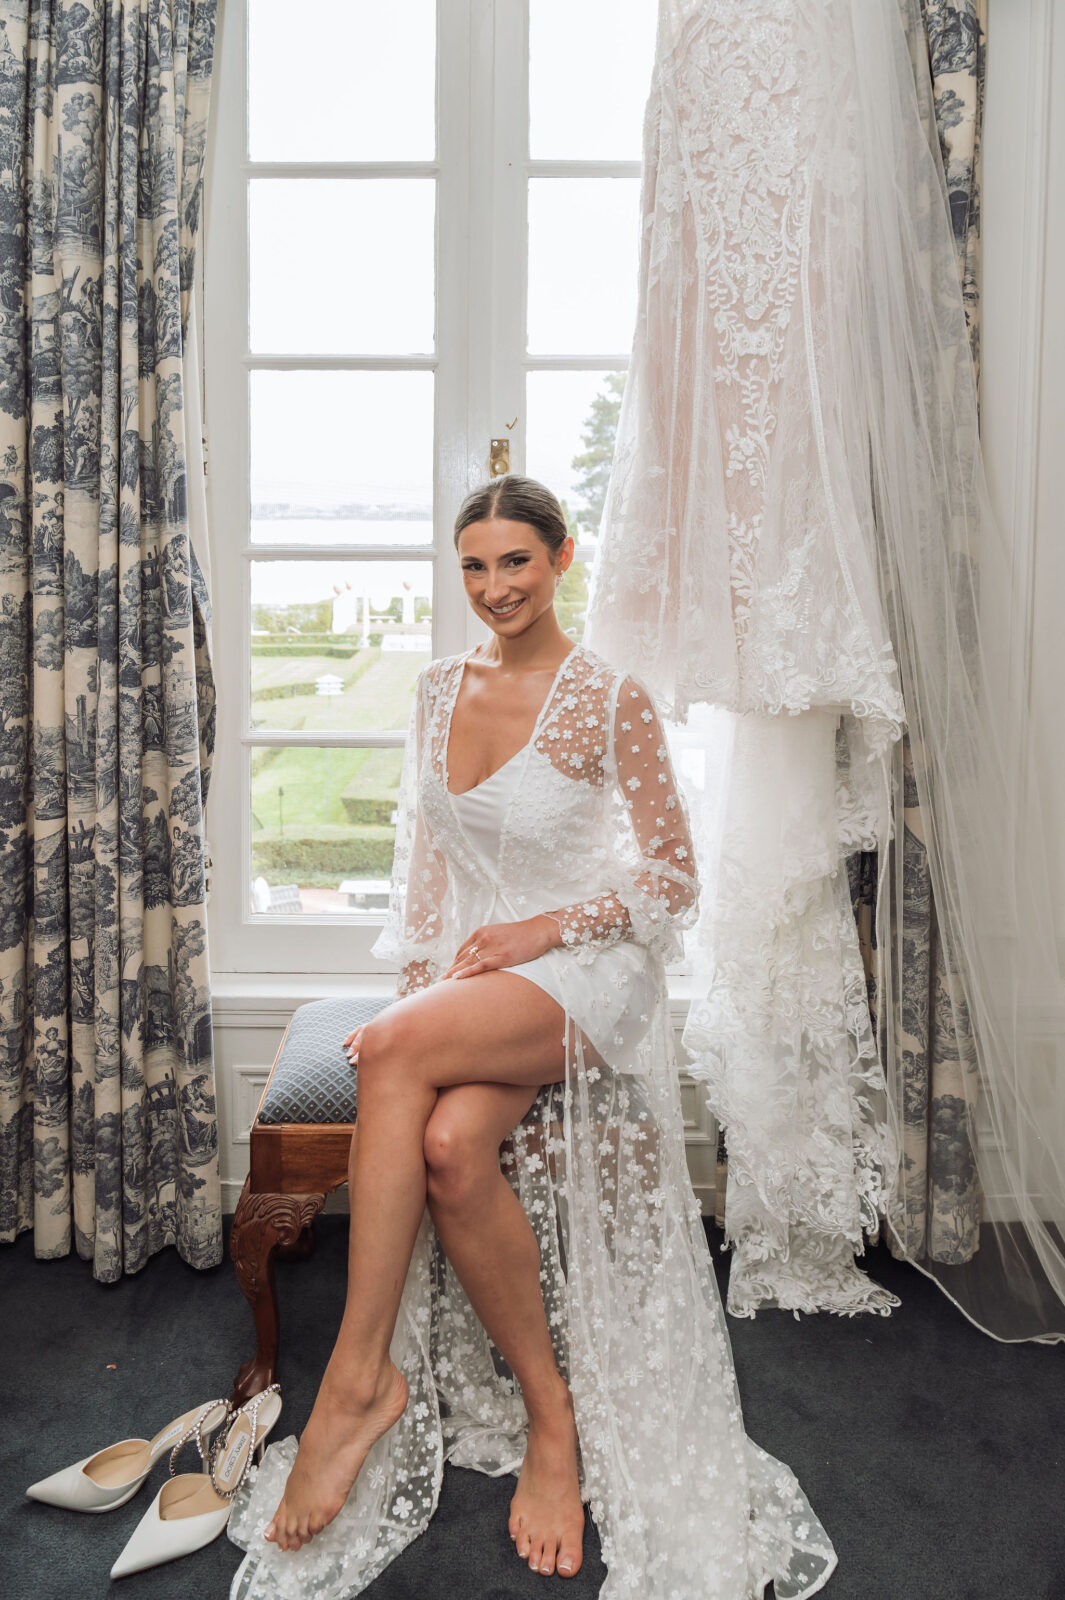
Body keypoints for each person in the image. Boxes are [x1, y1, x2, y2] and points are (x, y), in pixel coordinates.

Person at [228, 477, 836, 1600]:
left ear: (561, 559)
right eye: (473, 565)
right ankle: (552, 1419)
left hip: (584, 972)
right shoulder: (434, 689)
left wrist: (539, 933)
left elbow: (672, 876)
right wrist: (423, 994)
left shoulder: (607, 697)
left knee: (392, 1053)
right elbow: (425, 872)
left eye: (515, 561)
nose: (494, 586)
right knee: (451, 1148)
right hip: (480, 981)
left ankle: (355, 1382)